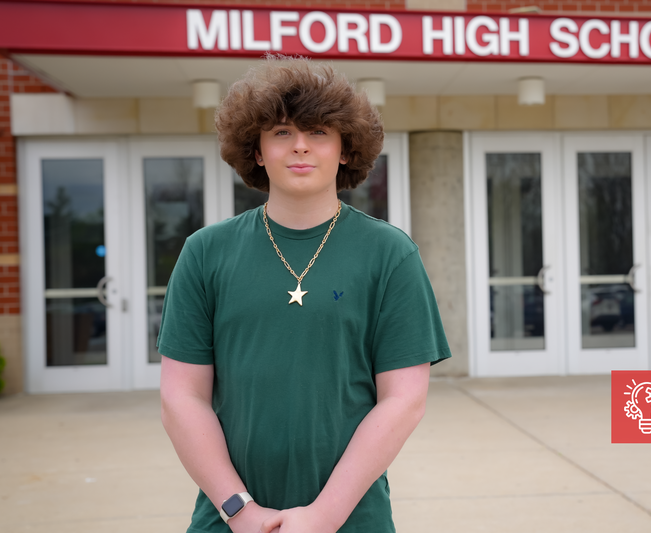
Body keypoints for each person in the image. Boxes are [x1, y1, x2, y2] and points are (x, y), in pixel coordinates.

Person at [158, 57, 451, 533]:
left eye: (318, 132)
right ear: (255, 150)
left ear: (344, 150)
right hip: (227, 519)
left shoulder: (389, 254)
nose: (299, 145)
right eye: (280, 133)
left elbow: (403, 400)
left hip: (352, 519)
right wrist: (240, 511)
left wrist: (323, 516)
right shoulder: (205, 253)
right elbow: (181, 399)